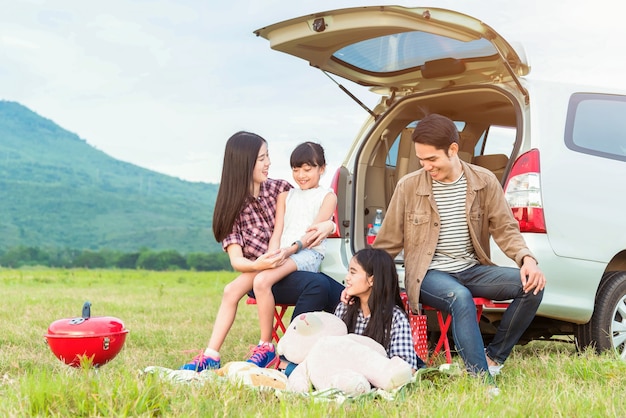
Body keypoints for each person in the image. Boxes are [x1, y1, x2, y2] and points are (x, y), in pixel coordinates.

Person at [372, 113, 546, 387]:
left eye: (432, 159)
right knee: (460, 297)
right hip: (429, 274)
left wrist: (526, 259)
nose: (426, 166)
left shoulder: (484, 181)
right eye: (421, 159)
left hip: (472, 268)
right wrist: (366, 277)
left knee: (532, 285)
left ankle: (493, 359)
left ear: (453, 149)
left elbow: (505, 228)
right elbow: (387, 243)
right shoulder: (408, 187)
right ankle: (481, 382)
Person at [180, 131, 344, 372]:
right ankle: (212, 354)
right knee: (231, 290)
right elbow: (237, 261)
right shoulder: (230, 208)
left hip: (286, 263)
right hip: (263, 267)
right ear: (245, 163)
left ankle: (282, 350)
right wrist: (262, 264)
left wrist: (329, 224)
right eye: (262, 158)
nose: (269, 163)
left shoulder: (280, 189)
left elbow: (311, 208)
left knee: (317, 283)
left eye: (268, 156)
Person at [252, 141, 337, 366]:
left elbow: (311, 237)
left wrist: (287, 252)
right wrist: (273, 255)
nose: (301, 175)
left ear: (322, 168)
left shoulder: (328, 196)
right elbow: (277, 231)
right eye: (296, 169)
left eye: (308, 169)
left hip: (308, 254)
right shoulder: (285, 196)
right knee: (261, 279)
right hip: (284, 253)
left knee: (261, 281)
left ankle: (271, 346)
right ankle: (266, 345)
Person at [335, 248, 426, 372]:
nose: (347, 278)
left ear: (371, 280)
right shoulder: (344, 309)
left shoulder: (395, 317)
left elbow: (407, 368)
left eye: (353, 272)